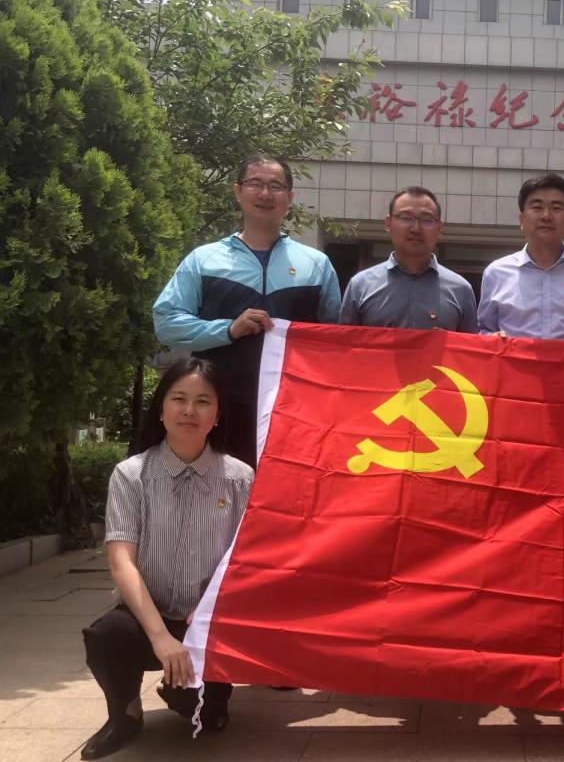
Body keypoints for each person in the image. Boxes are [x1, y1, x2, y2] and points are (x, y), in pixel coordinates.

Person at [80, 358, 253, 759]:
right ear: (161, 410)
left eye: (203, 401)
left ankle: (188, 693)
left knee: (205, 719)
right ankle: (124, 715)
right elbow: (122, 561)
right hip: (147, 615)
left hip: (207, 624)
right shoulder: (131, 475)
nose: (189, 410)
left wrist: (209, 614)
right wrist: (160, 636)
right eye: (179, 399)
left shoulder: (240, 478)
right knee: (107, 636)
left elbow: (245, 559)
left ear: (217, 414)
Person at [153, 154, 342, 467]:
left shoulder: (316, 265)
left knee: (282, 491)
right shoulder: (204, 260)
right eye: (255, 183)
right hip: (218, 408)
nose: (265, 194)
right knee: (220, 494)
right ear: (238, 191)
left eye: (276, 186)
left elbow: (335, 339)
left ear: (290, 198)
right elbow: (166, 322)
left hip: (293, 412)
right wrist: (227, 329)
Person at [478, 173, 564, 340]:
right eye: (537, 207)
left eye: (556, 208)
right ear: (521, 219)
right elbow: (485, 329)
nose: (546, 216)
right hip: (514, 359)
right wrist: (492, 338)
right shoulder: (496, 273)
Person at [340, 187, 477, 332]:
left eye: (427, 220)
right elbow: (344, 343)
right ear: (388, 223)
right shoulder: (360, 286)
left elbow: (470, 345)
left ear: (439, 228)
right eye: (406, 218)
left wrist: (446, 342)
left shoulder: (461, 290)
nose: (416, 228)